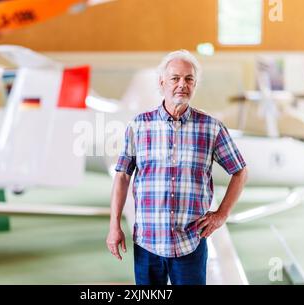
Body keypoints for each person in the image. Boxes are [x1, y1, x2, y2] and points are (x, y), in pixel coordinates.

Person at [106, 49, 248, 285]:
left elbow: (240, 170)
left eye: (188, 79)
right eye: (175, 78)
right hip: (147, 243)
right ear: (162, 83)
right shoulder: (139, 126)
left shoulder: (211, 128)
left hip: (190, 243)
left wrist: (221, 214)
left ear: (194, 84)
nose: (182, 84)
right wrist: (114, 226)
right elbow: (122, 176)